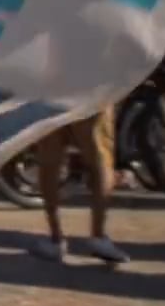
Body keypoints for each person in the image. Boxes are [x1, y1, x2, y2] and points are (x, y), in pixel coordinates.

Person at [29, 107, 128, 263]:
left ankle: (56, 239)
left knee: (49, 160)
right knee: (100, 160)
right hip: (90, 91)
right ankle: (98, 235)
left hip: (50, 92)